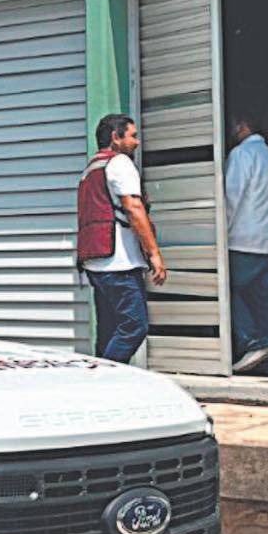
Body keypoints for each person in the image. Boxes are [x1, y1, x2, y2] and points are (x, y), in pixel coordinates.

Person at [76, 114, 166, 362]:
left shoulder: (91, 169)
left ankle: (99, 376)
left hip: (96, 263)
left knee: (108, 330)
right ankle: (106, 378)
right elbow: (134, 208)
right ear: (116, 137)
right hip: (119, 263)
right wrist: (154, 254)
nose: (137, 142)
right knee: (134, 326)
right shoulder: (119, 163)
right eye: (132, 136)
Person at [224, 116, 268, 374]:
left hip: (244, 239)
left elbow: (232, 196)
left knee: (225, 291)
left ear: (243, 126)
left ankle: (252, 341)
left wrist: (220, 233)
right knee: (263, 300)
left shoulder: (241, 154)